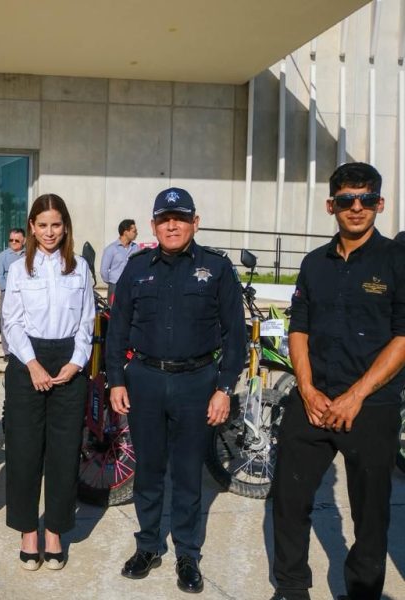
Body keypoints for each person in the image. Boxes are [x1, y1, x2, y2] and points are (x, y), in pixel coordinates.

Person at [269, 163, 405, 600]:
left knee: (370, 515)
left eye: (366, 199)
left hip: (371, 405)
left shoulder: (397, 261)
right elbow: (299, 328)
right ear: (332, 205)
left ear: (380, 204)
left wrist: (356, 395)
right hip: (313, 400)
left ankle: (362, 593)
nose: (356, 207)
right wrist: (307, 390)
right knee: (288, 499)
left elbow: (403, 337)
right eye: (347, 199)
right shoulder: (314, 264)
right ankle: (291, 588)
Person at [106, 187, 245, 594]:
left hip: (196, 382)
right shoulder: (136, 268)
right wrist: (116, 379)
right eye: (164, 219)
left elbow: (235, 336)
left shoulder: (216, 268)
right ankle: (148, 545)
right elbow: (117, 329)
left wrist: (224, 388)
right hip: (145, 380)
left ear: (194, 223)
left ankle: (187, 553)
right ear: (153, 225)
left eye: (180, 218)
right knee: (148, 470)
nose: (172, 225)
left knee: (187, 473)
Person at [2, 195, 94, 571]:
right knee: (24, 450)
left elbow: (87, 321)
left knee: (64, 451)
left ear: (65, 226)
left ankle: (54, 530)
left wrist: (76, 362)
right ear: (32, 227)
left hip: (68, 363)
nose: (49, 232)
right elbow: (11, 322)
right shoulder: (19, 269)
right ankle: (28, 531)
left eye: (56, 225)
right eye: (42, 225)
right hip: (28, 362)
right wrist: (32, 364)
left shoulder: (80, 268)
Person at [0, 227, 26, 357]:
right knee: (6, 321)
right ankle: (7, 351)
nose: (13, 242)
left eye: (16, 240)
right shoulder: (4, 255)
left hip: (25, 294)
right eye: (11, 240)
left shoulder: (29, 255)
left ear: (24, 241)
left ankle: (22, 350)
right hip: (7, 293)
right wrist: (8, 290)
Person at [100, 219, 139, 302]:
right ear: (125, 232)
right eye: (134, 231)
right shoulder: (111, 249)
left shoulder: (136, 248)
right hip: (115, 287)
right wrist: (112, 282)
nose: (136, 233)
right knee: (113, 309)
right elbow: (104, 271)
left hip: (131, 287)